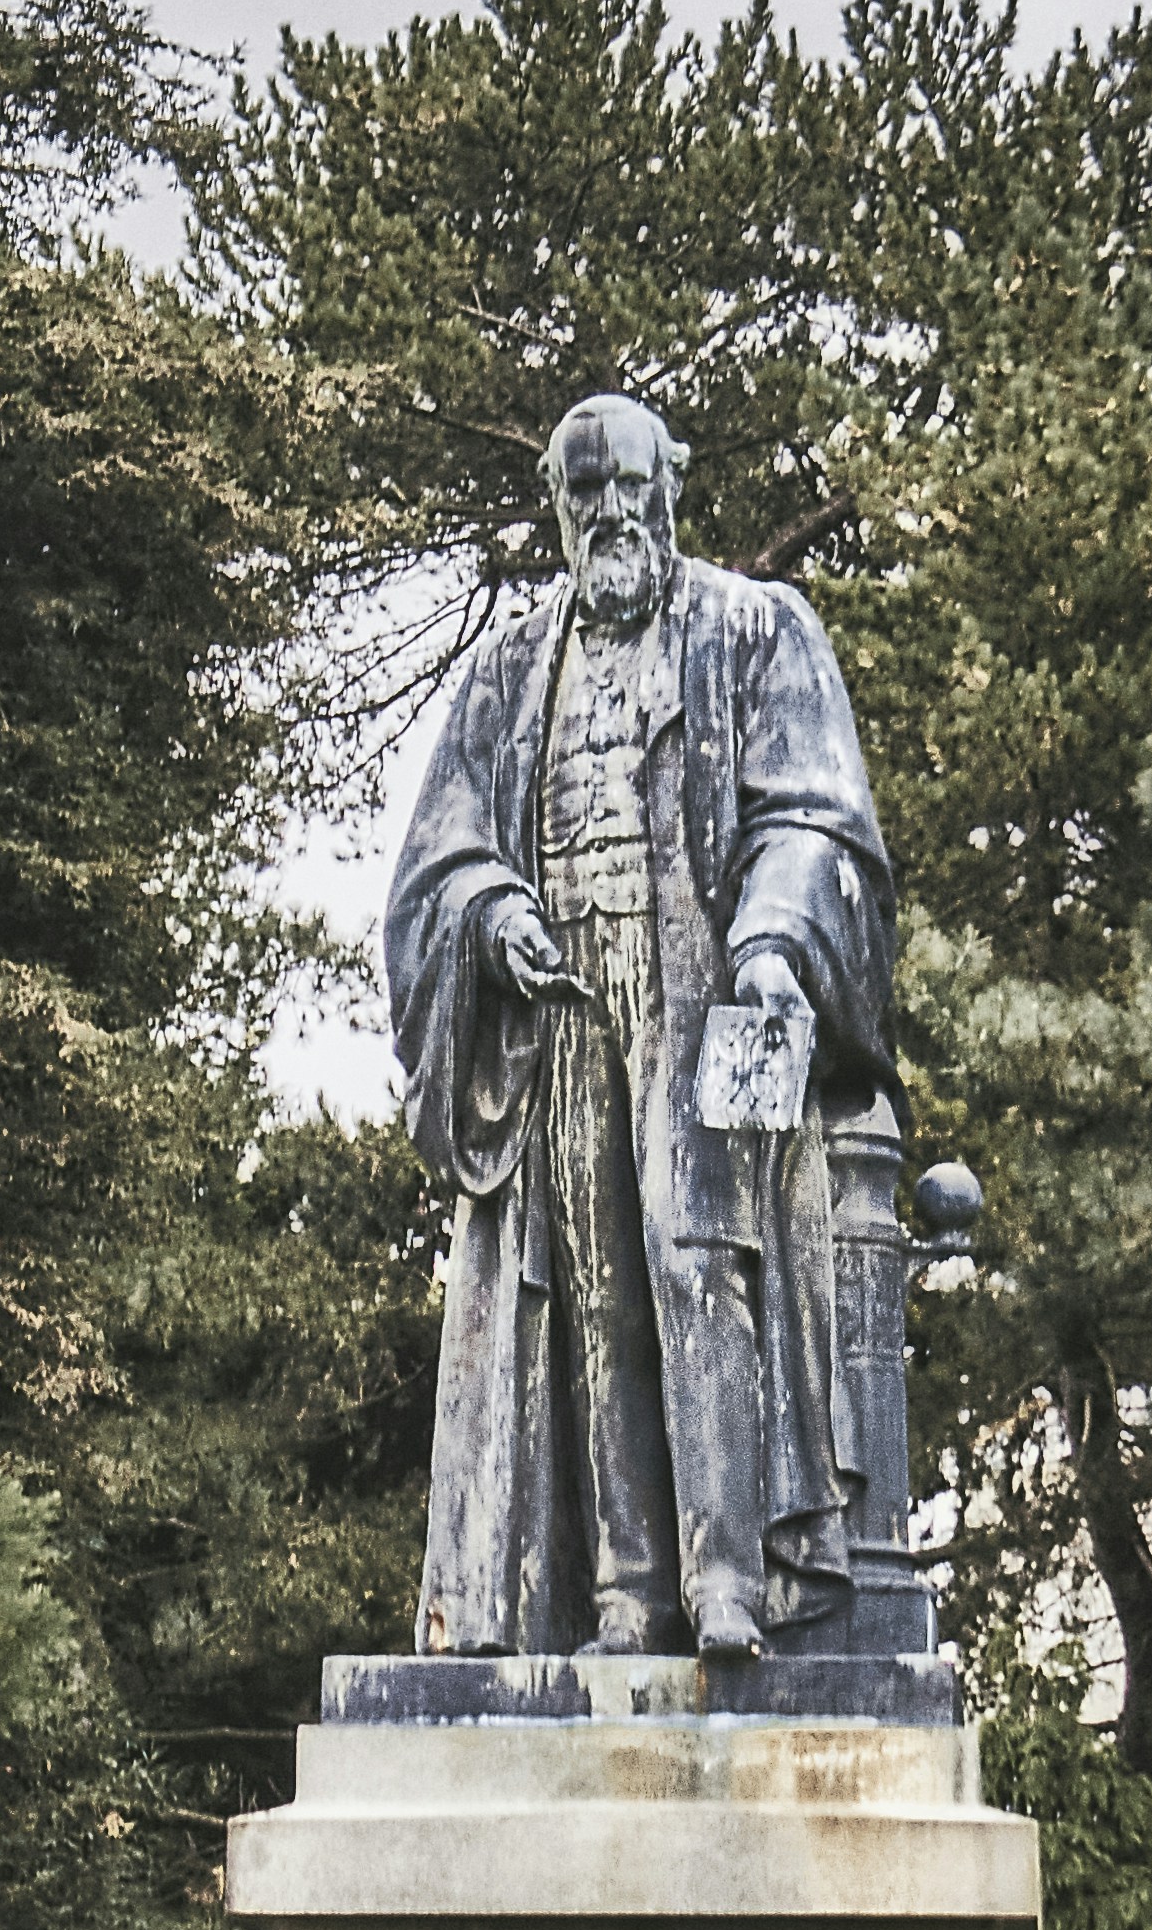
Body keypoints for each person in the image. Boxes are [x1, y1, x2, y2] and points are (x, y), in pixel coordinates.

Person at [385, 390, 898, 1662]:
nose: (612, 513)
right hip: (562, 1002)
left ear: (672, 486)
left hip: (698, 984)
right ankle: (627, 1596)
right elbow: (437, 859)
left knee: (698, 1252)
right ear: (558, 509)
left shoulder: (753, 628)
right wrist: (494, 911)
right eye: (585, 492)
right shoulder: (512, 666)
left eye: (632, 486)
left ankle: (730, 1580)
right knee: (594, 1285)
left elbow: (818, 820)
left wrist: (774, 947)